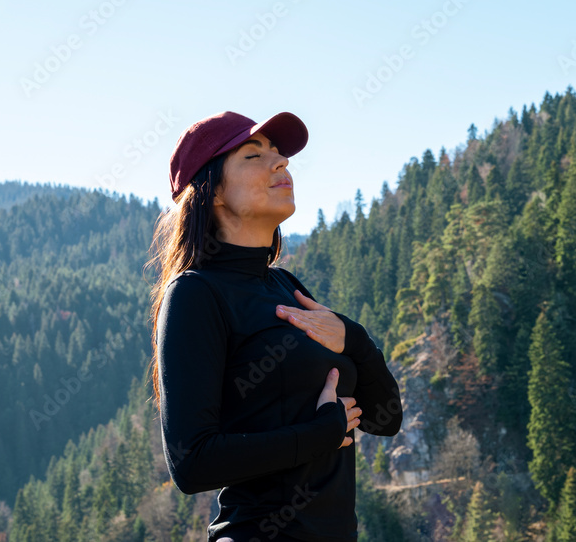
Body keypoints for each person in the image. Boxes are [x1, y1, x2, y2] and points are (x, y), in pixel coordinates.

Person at [147, 110, 403, 542]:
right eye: (253, 155)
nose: (281, 163)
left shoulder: (285, 286)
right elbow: (191, 464)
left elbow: (386, 418)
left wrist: (353, 338)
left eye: (279, 154)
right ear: (212, 194)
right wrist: (317, 435)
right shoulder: (195, 294)